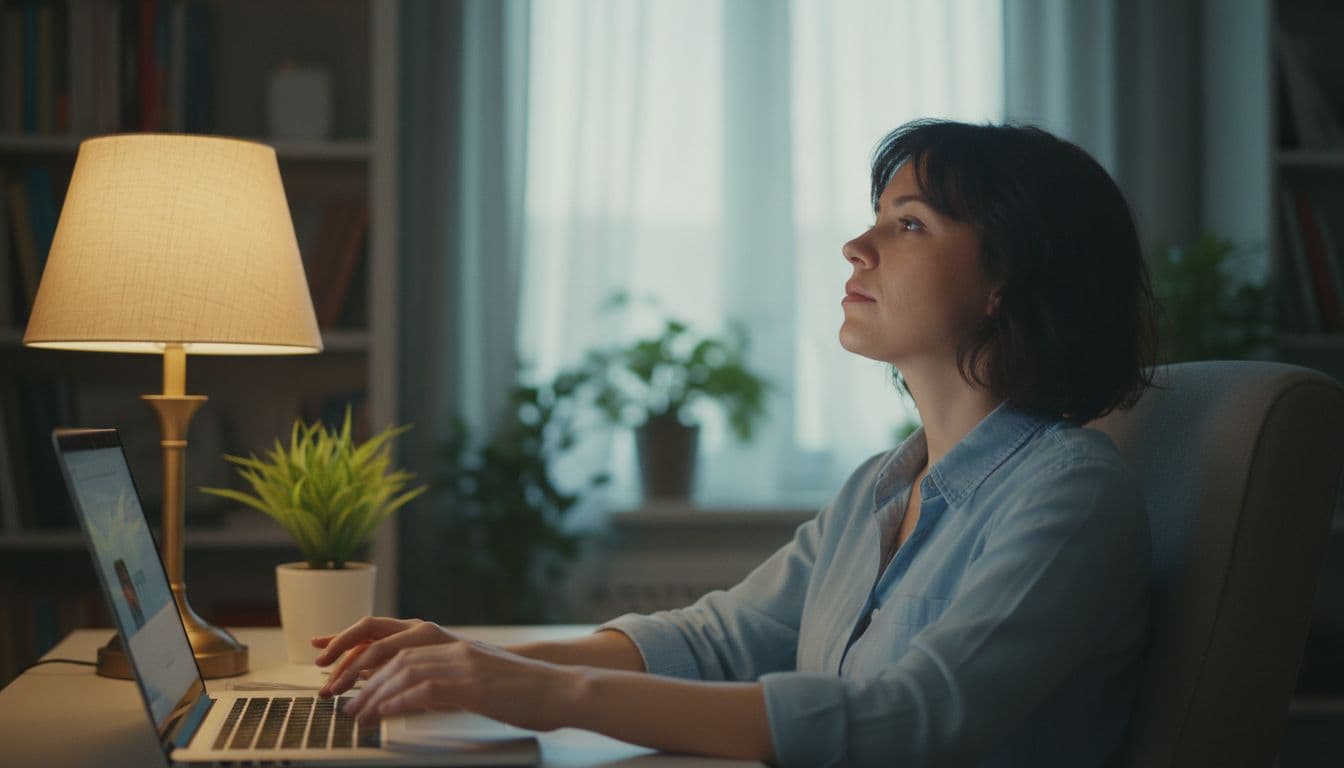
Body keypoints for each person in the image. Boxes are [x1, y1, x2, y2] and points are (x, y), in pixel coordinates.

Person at [314, 119, 1157, 767]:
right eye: (876, 219)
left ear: (1005, 280)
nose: (856, 247)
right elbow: (718, 642)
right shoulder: (879, 489)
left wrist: (549, 693)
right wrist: (483, 660)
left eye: (908, 225)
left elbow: (911, 719)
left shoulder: (1071, 492)